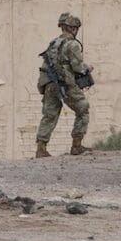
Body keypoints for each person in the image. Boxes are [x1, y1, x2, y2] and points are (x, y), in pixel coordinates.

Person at [35, 13, 94, 158]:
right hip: (65, 84)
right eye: (75, 28)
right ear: (72, 28)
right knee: (83, 109)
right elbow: (77, 67)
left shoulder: (53, 43)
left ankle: (41, 149)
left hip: (50, 83)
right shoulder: (73, 44)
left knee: (49, 115)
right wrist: (88, 68)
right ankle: (76, 146)